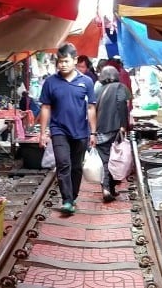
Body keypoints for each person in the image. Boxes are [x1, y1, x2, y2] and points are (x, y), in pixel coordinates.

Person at [39, 42, 97, 214]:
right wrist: (43, 133)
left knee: (76, 167)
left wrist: (93, 132)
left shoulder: (86, 82)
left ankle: (73, 195)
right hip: (58, 130)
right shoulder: (50, 82)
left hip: (81, 131)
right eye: (60, 61)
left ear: (75, 60)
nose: (62, 64)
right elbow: (45, 107)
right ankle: (67, 200)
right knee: (63, 163)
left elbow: (91, 108)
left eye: (66, 61)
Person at [94, 66, 131, 202]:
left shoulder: (98, 89)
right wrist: (123, 124)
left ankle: (107, 188)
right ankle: (109, 187)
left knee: (105, 160)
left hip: (99, 129)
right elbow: (121, 104)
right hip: (114, 128)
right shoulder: (119, 87)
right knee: (114, 159)